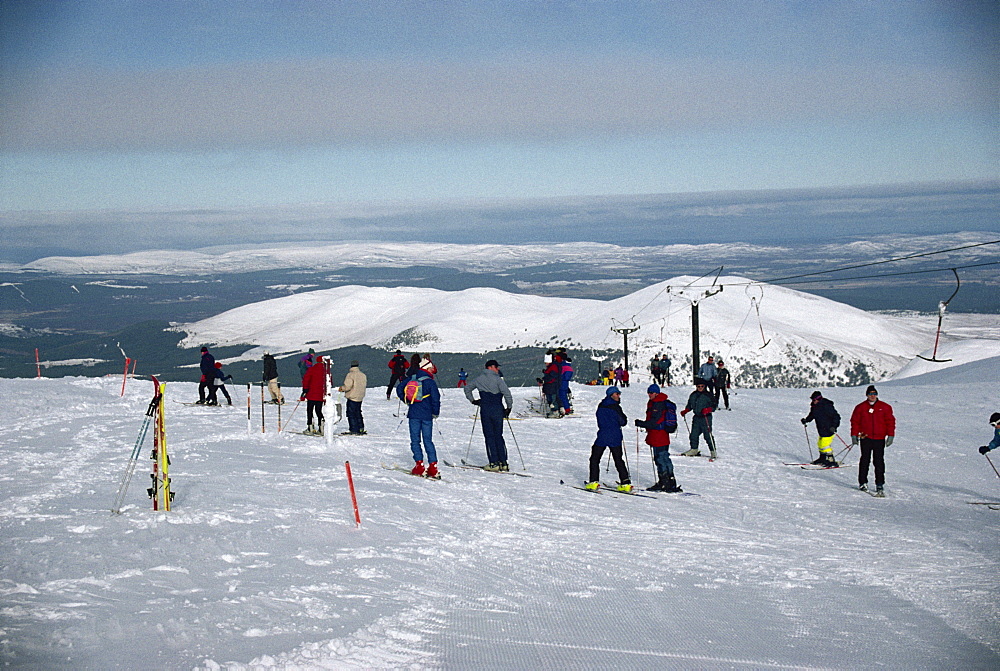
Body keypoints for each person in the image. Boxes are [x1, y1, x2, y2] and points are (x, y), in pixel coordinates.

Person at [465, 359, 514, 471]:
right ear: (491, 367)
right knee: (498, 435)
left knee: (489, 436)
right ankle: (503, 462)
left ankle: (494, 462)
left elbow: (467, 388)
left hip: (486, 409)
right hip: (498, 409)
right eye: (497, 367)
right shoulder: (498, 380)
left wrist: (473, 401)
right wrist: (509, 407)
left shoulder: (479, 379)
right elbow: (507, 394)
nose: (498, 369)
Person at [397, 353, 441, 477]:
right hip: (427, 415)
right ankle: (433, 467)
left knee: (415, 440)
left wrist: (406, 400)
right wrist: (435, 412)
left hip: (414, 413)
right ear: (427, 368)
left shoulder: (411, 379)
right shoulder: (430, 382)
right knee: (428, 440)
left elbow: (399, 388)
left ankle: (419, 465)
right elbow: (436, 399)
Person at [850, 385, 896, 497]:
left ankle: (879, 484)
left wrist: (890, 435)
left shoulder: (885, 407)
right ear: (867, 395)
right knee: (865, 460)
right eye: (870, 394)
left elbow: (890, 422)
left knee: (879, 462)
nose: (873, 396)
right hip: (865, 438)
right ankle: (862, 482)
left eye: (874, 394)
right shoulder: (860, 407)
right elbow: (855, 422)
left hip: (879, 438)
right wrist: (854, 435)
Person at [635, 383, 683, 492]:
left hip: (658, 435)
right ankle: (670, 481)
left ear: (656, 393)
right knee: (665, 457)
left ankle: (664, 483)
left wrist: (641, 424)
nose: (649, 395)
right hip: (662, 435)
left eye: (651, 393)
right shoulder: (660, 402)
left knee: (660, 458)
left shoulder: (657, 404)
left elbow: (654, 422)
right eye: (648, 392)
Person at [585, 387, 632, 492]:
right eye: (617, 394)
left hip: (603, 434)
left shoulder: (601, 406)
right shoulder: (616, 407)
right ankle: (625, 482)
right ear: (611, 395)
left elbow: (599, 420)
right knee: (618, 459)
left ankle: (593, 481)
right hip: (615, 436)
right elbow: (623, 421)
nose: (619, 396)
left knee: (595, 458)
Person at [680, 378, 718, 458]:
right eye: (698, 386)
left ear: (705, 386)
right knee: (694, 434)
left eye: (702, 386)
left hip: (706, 418)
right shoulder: (693, 395)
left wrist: (708, 409)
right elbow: (690, 404)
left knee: (707, 435)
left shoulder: (709, 395)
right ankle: (694, 449)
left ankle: (713, 451)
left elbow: (714, 406)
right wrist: (686, 410)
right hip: (696, 417)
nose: (700, 388)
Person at [801, 391, 840, 466]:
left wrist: (834, 427)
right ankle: (822, 458)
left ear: (819, 399)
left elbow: (836, 417)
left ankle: (831, 460)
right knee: (820, 443)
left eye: (814, 400)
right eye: (812, 399)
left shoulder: (826, 406)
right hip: (822, 429)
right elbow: (812, 415)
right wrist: (806, 420)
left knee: (824, 445)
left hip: (829, 429)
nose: (813, 401)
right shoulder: (814, 407)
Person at [300, 355, 328, 435]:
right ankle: (321, 428)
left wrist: (305, 390)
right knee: (319, 411)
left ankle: (310, 427)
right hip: (321, 395)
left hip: (311, 394)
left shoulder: (312, 369)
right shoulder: (326, 371)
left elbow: (306, 380)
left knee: (310, 410)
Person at [339, 360, 367, 435]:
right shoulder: (363, 375)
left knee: (351, 413)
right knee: (358, 412)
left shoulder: (350, 375)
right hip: (360, 396)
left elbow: (348, 386)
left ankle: (354, 429)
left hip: (352, 396)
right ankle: (361, 428)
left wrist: (342, 388)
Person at [541, 351, 561, 417]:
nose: (545, 363)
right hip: (549, 386)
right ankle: (554, 411)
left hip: (552, 386)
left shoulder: (553, 367)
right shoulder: (551, 367)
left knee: (552, 399)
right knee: (550, 399)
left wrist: (544, 380)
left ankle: (555, 412)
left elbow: (551, 377)